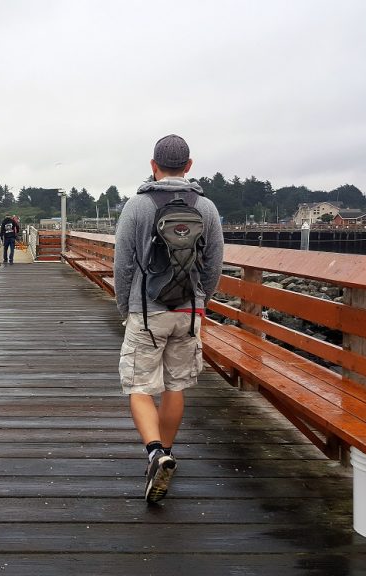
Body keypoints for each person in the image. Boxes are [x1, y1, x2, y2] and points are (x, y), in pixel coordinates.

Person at [112, 134, 224, 503]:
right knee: (176, 385)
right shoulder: (206, 207)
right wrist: (201, 299)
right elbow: (213, 264)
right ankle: (168, 453)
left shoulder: (137, 206)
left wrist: (124, 305)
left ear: (153, 164)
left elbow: (123, 263)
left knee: (140, 386)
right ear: (189, 166)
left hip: (147, 310)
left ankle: (155, 452)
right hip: (189, 312)